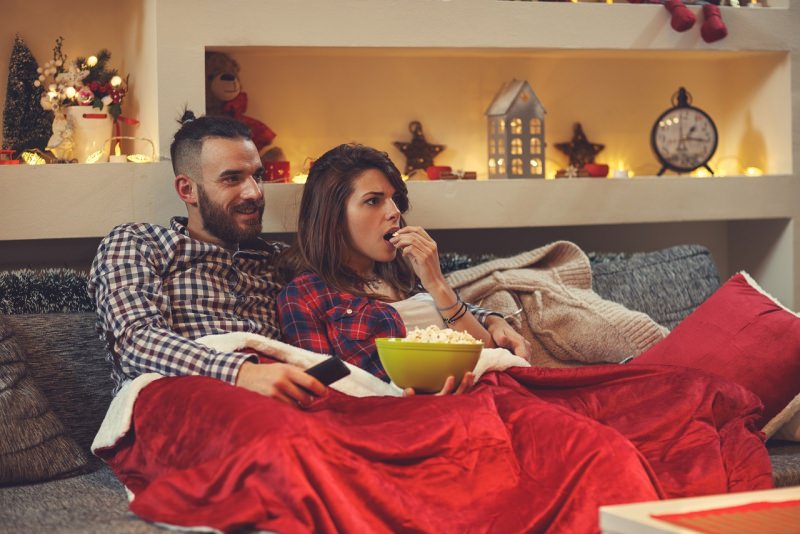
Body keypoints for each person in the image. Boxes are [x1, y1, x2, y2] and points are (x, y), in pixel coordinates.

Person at [89, 111, 327, 406]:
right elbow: (136, 341)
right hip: (184, 406)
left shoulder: (279, 260)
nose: (254, 192)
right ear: (187, 190)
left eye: (258, 176)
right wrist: (242, 373)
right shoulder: (139, 243)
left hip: (283, 402)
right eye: (232, 179)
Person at [277, 143, 531, 393]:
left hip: (483, 390)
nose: (394, 212)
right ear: (333, 218)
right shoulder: (305, 295)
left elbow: (483, 350)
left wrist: (440, 285)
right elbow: (322, 389)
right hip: (400, 415)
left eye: (394, 199)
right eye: (373, 201)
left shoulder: (404, 274)